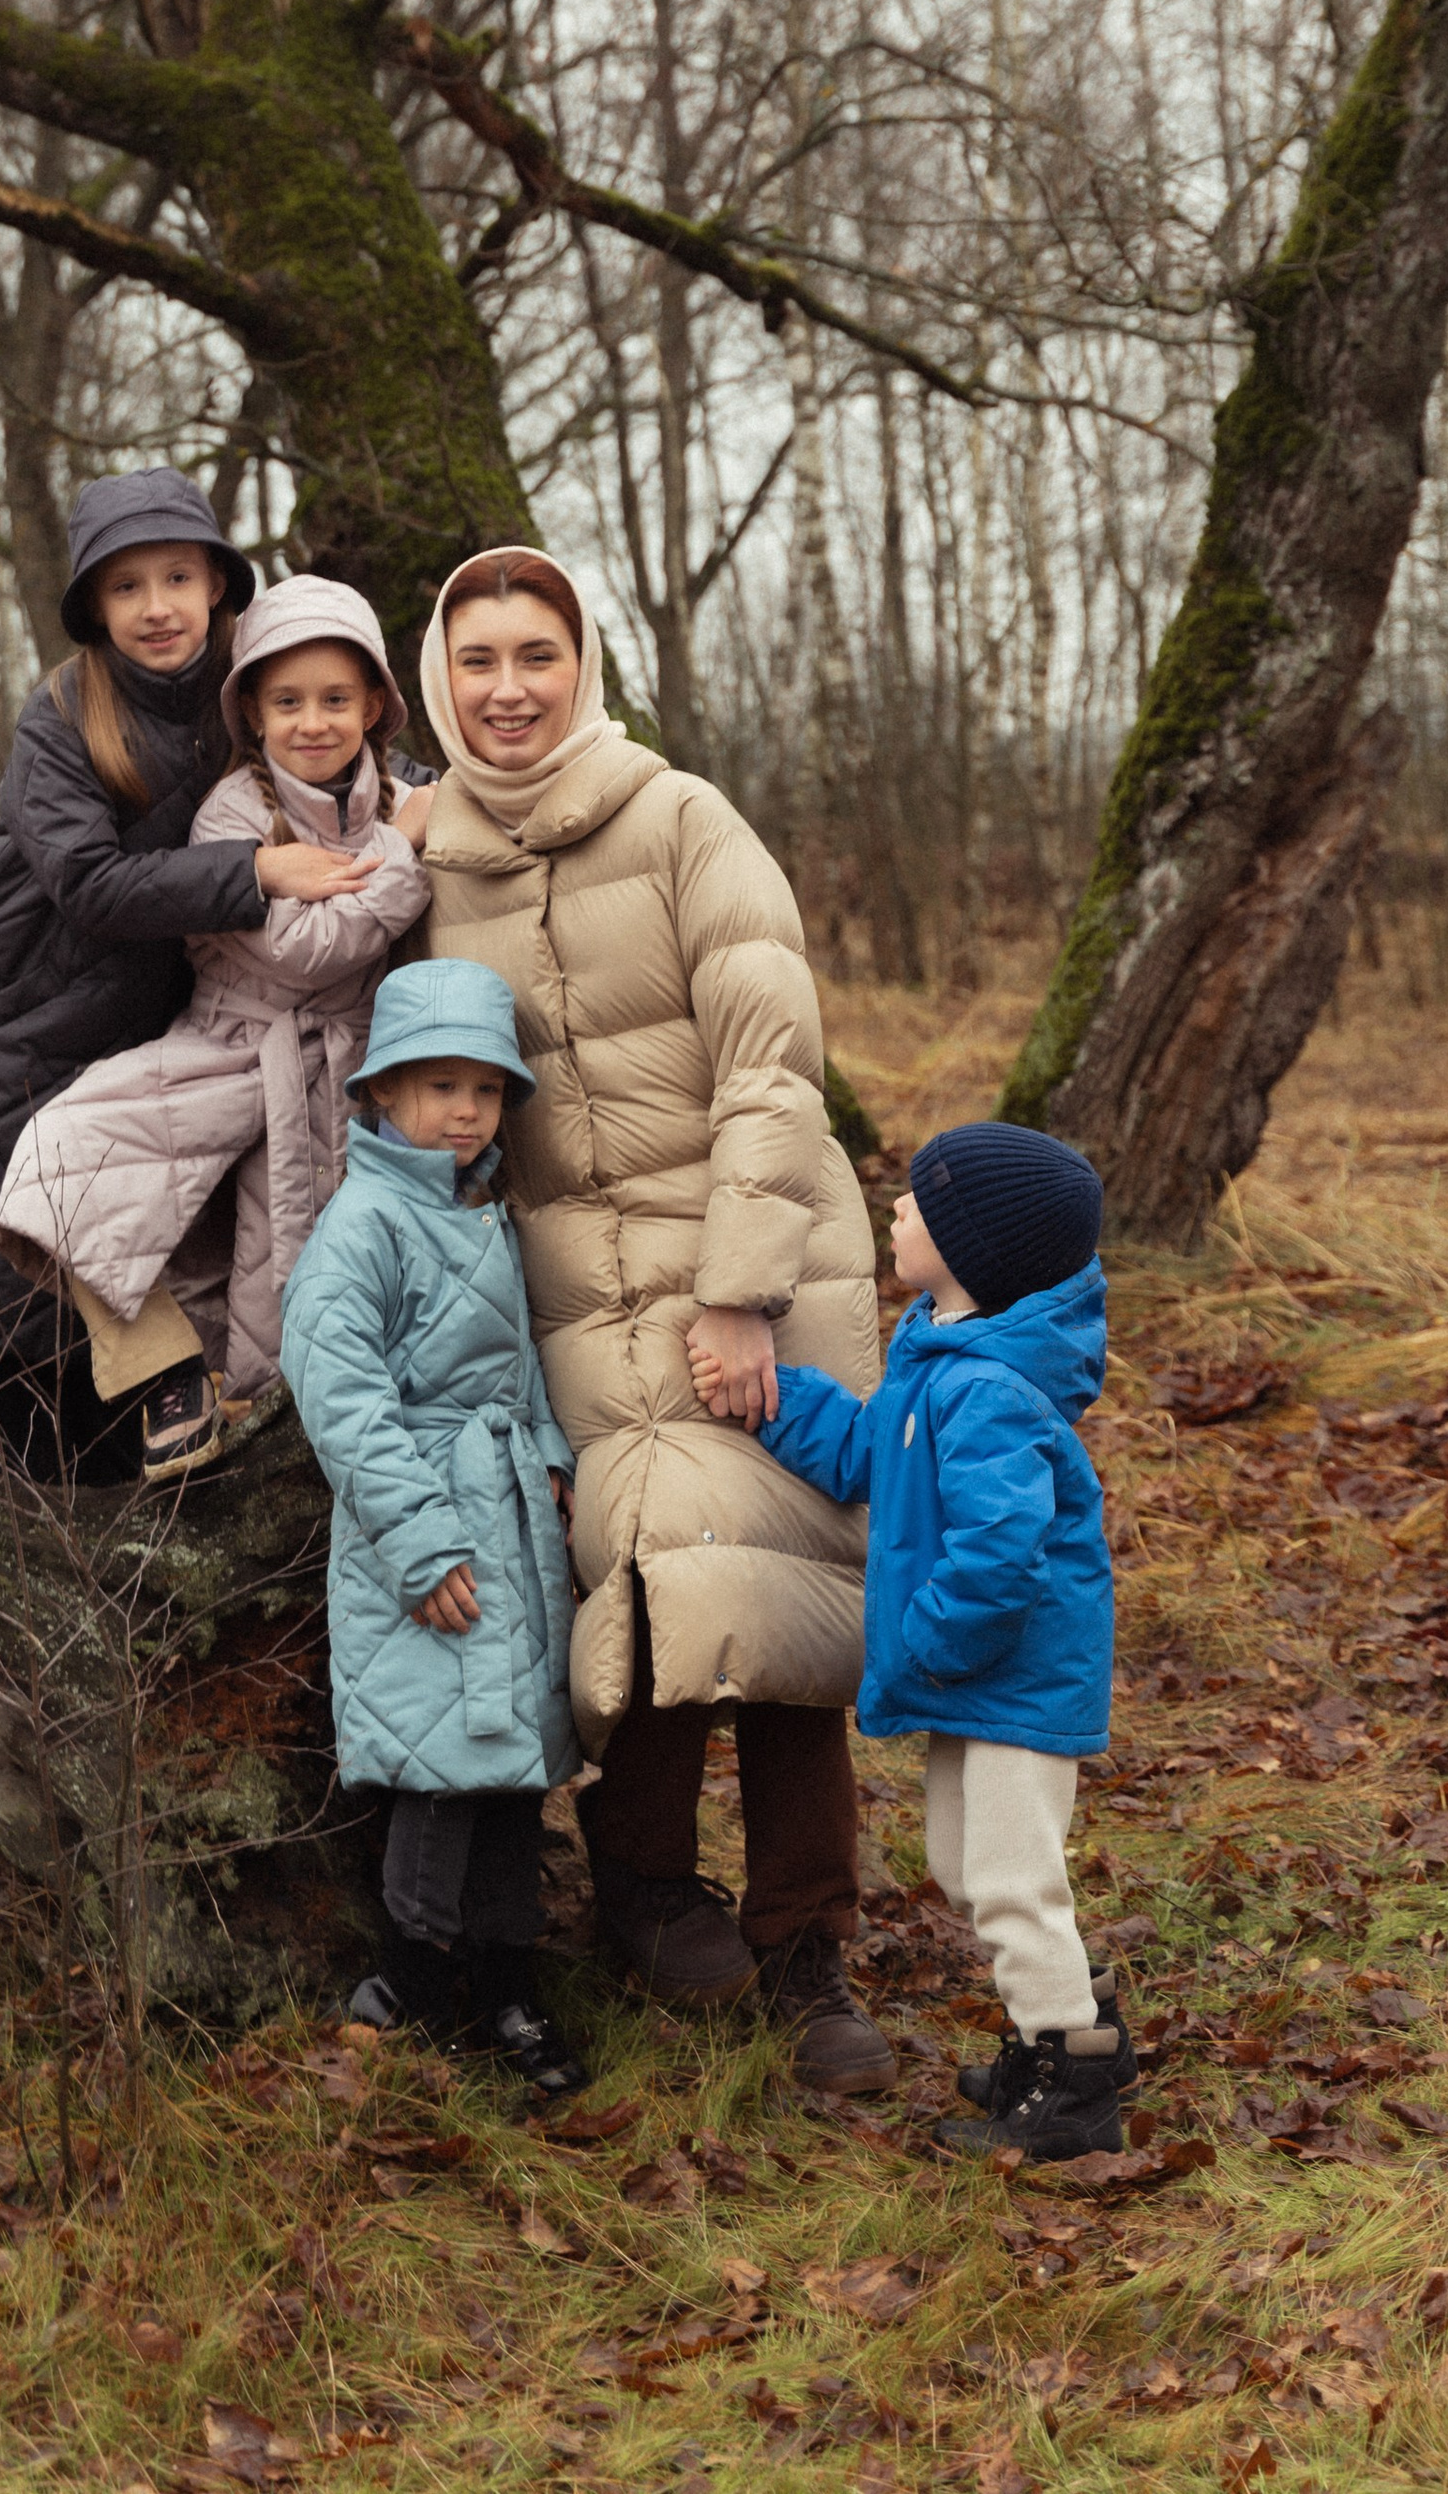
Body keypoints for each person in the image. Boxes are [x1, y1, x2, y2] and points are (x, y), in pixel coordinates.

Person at [416, 545, 895, 2095]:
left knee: (783, 1584)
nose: (507, 687)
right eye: (477, 658)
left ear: (583, 663)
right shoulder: (425, 863)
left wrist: (744, 1291)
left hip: (747, 1266)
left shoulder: (684, 817)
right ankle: (645, 1892)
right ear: (443, 678)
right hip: (566, 1300)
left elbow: (773, 1060)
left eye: (535, 654)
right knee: (631, 1587)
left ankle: (811, 1943)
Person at [0, 471, 369, 1487]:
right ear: (94, 605)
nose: (158, 606)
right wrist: (256, 871)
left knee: (119, 1351)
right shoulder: (64, 716)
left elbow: (339, 742)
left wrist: (426, 800)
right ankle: (5, 1610)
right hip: (7, 1039)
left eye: (179, 575)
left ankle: (121, 1616)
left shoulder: (251, 681)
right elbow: (88, 882)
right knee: (2, 1344)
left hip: (143, 1050)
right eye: (127, 587)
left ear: (220, 582)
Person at [692, 1120, 1131, 2162]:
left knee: (1012, 1880)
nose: (894, 1207)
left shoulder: (986, 1392)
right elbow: (865, 1454)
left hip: (1008, 1681)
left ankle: (1072, 2085)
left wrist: (926, 1640)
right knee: (963, 1867)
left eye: (918, 1203)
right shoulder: (943, 1351)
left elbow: (999, 1554)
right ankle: (1079, 2033)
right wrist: (771, 1401)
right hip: (973, 1681)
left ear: (973, 1249)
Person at [0, 577, 433, 1479]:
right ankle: (164, 1367)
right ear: (252, 715)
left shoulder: (403, 797)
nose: (314, 722)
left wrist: (397, 833)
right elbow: (307, 949)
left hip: (354, 1062)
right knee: (63, 1158)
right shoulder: (233, 813)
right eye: (288, 702)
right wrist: (401, 856)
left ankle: (299, 1428)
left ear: (377, 705)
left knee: (307, 1254)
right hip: (230, 1045)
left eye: (337, 700)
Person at [279, 961, 586, 2102]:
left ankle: (509, 1979)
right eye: (440, 1086)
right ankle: (408, 1976)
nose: (466, 1110)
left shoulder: (483, 1210)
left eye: (487, 1090)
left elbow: (522, 1368)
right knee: (435, 1763)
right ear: (383, 1096)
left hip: (507, 1516)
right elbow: (340, 1391)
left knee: (510, 1762)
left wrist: (549, 1457)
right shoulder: (364, 1225)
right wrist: (417, 1544)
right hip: (419, 1534)